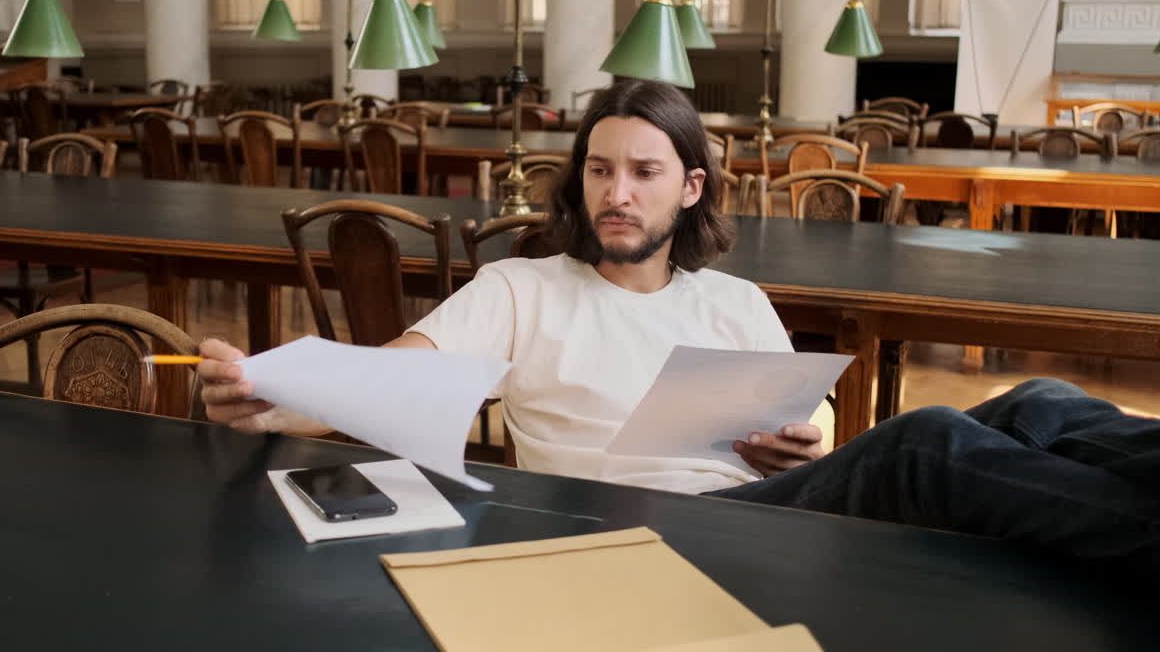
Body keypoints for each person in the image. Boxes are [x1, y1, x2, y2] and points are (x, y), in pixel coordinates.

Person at [200, 79, 1158, 565]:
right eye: (600, 170)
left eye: (645, 173)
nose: (618, 194)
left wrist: (798, 441)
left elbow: (809, 434)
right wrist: (272, 392)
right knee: (928, 449)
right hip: (643, 535)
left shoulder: (733, 302)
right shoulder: (521, 290)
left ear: (689, 187)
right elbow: (394, 379)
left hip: (758, 515)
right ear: (579, 180)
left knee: (1038, 400)